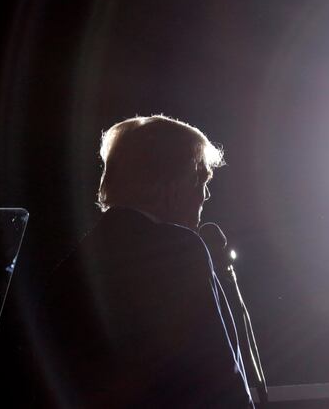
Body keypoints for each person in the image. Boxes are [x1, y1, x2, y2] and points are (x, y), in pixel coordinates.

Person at [35, 115, 255, 408]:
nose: (205, 194)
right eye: (200, 178)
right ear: (171, 180)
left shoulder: (83, 256)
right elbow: (216, 371)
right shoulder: (178, 247)